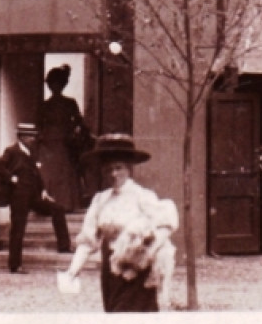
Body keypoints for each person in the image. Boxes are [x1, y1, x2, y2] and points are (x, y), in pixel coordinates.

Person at [63, 134, 179, 313]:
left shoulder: (142, 196)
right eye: (108, 169)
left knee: (131, 317)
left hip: (136, 273)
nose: (113, 174)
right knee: (114, 317)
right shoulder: (100, 200)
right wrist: (72, 271)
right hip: (110, 273)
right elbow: (88, 241)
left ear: (129, 169)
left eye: (118, 168)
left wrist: (146, 254)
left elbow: (165, 224)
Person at [0, 123, 72, 273]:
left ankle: (64, 246)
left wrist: (43, 190)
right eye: (30, 136)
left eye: (33, 136)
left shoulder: (31, 151)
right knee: (18, 228)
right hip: (19, 195)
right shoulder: (12, 151)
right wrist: (12, 179)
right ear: (22, 137)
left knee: (58, 209)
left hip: (33, 195)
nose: (32, 138)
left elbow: (36, 174)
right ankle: (15, 265)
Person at [37, 64, 90, 212]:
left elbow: (79, 121)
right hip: (48, 143)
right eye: (51, 83)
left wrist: (75, 132)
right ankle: (49, 205)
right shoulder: (45, 105)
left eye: (57, 83)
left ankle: (63, 204)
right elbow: (39, 124)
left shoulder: (69, 103)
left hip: (63, 142)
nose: (54, 86)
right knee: (49, 173)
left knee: (63, 172)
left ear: (62, 84)